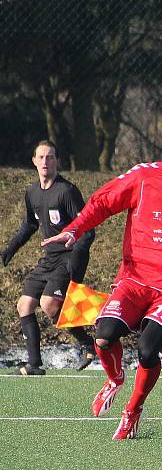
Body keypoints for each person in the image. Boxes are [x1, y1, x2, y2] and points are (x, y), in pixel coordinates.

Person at [41, 118, 162, 440]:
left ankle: (133, 411)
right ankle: (114, 379)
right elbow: (102, 203)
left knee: (147, 349)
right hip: (136, 279)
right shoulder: (144, 176)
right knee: (104, 335)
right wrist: (73, 230)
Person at [2, 140, 95, 375]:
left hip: (68, 257)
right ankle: (34, 364)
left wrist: (77, 261)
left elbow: (87, 230)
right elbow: (30, 224)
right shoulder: (32, 192)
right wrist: (11, 248)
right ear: (34, 161)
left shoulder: (67, 191)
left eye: (51, 157)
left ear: (58, 162)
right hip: (49, 259)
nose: (46, 161)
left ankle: (88, 343)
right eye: (41, 157)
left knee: (48, 304)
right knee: (24, 305)